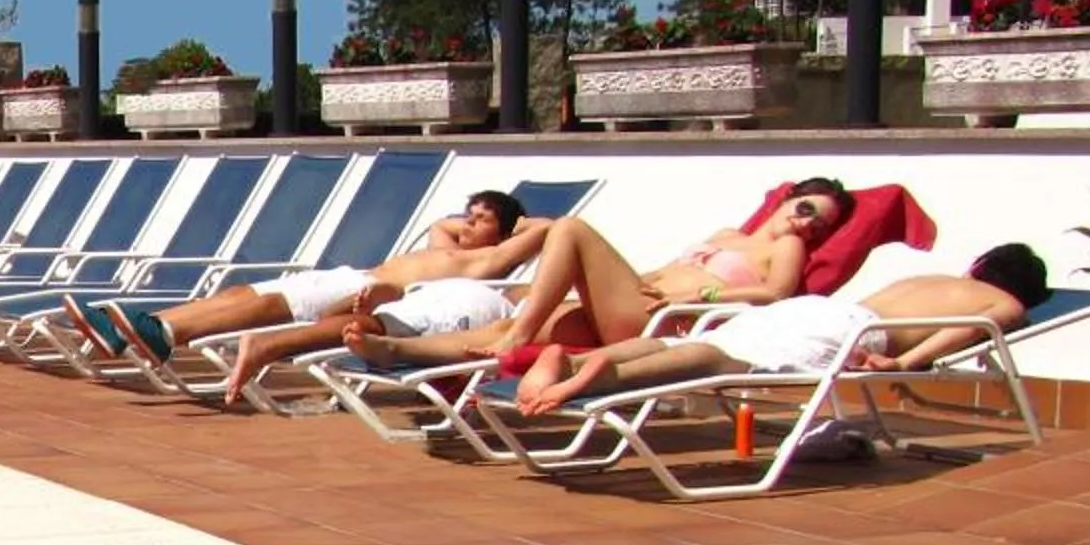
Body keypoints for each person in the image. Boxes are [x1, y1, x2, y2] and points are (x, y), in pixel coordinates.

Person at [346, 177, 853, 371]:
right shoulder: (726, 233)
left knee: (571, 230)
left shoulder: (783, 246)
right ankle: (397, 351)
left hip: (665, 324)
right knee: (510, 324)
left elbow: (778, 292)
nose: (808, 227)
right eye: (807, 210)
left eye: (821, 226)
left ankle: (517, 333)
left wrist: (710, 289)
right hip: (638, 303)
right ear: (788, 198)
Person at [508, 244, 1051, 413]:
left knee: (706, 341)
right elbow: (982, 322)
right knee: (720, 363)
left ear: (978, 265)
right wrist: (904, 364)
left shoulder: (932, 278)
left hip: (815, 310)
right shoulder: (1001, 300)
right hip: (853, 332)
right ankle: (598, 378)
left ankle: (574, 362)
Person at [63, 190, 547, 367]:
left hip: (361, 292)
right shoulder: (449, 248)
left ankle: (166, 333)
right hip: (351, 275)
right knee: (239, 293)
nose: (466, 224)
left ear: (505, 235)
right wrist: (477, 222)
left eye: (480, 220)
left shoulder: (486, 265)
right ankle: (138, 326)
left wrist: (516, 225)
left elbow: (547, 230)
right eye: (469, 213)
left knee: (263, 309)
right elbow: (441, 225)